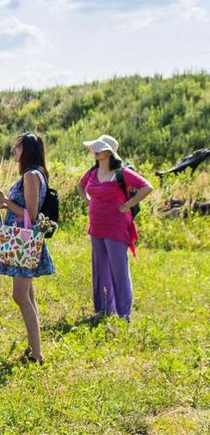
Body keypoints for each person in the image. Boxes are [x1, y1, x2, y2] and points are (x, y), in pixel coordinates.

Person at [0, 133, 55, 364]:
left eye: (16, 147)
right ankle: (33, 347)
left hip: (22, 241)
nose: (13, 151)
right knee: (27, 296)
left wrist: (4, 200)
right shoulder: (35, 174)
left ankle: (37, 355)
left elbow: (30, 215)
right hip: (22, 240)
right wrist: (2, 202)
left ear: (26, 149)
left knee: (20, 296)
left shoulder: (30, 175)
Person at [78, 134, 154, 320]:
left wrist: (128, 205)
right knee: (100, 269)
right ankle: (103, 310)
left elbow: (147, 187)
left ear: (109, 152)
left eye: (100, 148)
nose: (95, 151)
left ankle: (124, 314)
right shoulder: (92, 172)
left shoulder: (122, 173)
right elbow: (80, 186)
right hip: (96, 228)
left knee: (119, 271)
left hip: (116, 229)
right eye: (95, 148)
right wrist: (88, 201)